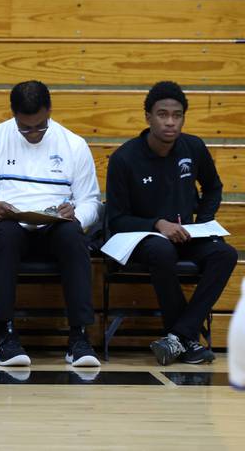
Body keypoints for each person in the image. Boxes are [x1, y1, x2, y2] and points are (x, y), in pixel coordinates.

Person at [0, 80, 102, 367]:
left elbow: (91, 202)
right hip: (7, 226)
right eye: (25, 127)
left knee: (73, 235)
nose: (32, 134)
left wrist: (76, 213)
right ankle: (4, 335)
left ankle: (79, 337)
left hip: (53, 228)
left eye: (40, 126)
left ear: (50, 112)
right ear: (13, 115)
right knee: (6, 234)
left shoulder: (74, 144)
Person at [106, 81, 237, 366]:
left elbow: (213, 188)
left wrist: (202, 223)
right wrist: (157, 224)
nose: (170, 122)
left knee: (225, 254)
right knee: (162, 251)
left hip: (186, 234)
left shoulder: (194, 147)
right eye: (162, 114)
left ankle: (178, 336)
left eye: (177, 115)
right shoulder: (124, 159)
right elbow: (115, 220)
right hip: (141, 238)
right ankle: (187, 340)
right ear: (148, 117)